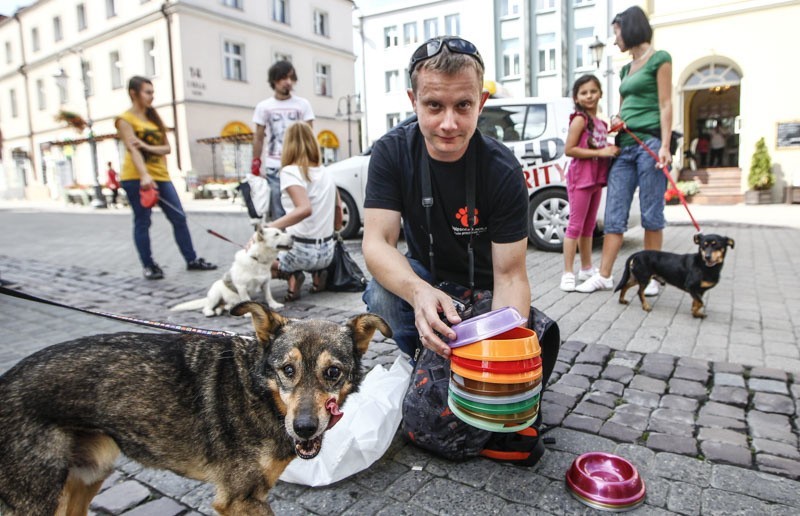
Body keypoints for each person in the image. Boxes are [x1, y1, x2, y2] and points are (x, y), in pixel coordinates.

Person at [361, 36, 531, 364]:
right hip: (426, 277)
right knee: (381, 292)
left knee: (514, 346)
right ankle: (424, 355)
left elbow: (511, 276)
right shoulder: (390, 152)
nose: (449, 124)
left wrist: (496, 352)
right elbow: (377, 242)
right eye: (434, 106)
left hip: (485, 287)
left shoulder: (503, 168)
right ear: (414, 101)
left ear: (481, 103)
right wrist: (417, 290)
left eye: (463, 106)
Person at [576, 6, 673, 296]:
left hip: (651, 143)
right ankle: (604, 275)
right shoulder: (624, 68)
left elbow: (666, 104)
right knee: (615, 213)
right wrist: (616, 121)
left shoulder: (660, 59)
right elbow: (621, 109)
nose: (614, 38)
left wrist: (666, 146)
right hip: (624, 147)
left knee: (651, 213)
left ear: (629, 28)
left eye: (616, 31)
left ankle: (653, 275)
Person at [116, 76, 217, 280]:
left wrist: (145, 146)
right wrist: (144, 175)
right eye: (147, 92)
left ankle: (191, 259)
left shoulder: (153, 118)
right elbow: (132, 150)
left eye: (152, 92)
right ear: (133, 93)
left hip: (161, 175)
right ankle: (149, 265)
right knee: (143, 221)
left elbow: (167, 148)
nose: (151, 96)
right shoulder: (125, 120)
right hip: (137, 177)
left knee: (179, 217)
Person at [265, 122, 341, 302]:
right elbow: (338, 212)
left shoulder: (290, 171)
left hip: (299, 252)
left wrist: (269, 227)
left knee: (256, 260)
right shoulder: (326, 172)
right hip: (327, 253)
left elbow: (304, 209)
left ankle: (291, 275)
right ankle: (317, 274)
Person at [560, 75, 619, 292]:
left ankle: (586, 267)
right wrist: (601, 151)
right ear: (576, 97)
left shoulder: (601, 123)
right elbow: (569, 149)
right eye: (583, 92)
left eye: (593, 91)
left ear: (600, 93)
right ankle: (567, 272)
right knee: (575, 226)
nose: (589, 96)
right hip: (580, 179)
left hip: (595, 180)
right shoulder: (579, 120)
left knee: (589, 226)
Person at [251, 60, 315, 221]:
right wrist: (256, 163)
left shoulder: (302, 105)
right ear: (274, 80)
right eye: (283, 78)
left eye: (291, 78)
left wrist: (312, 160)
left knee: (301, 207)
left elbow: (309, 136)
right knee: (279, 211)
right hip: (275, 166)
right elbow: (258, 137)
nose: (288, 82)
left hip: (300, 164)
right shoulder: (264, 107)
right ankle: (282, 244)